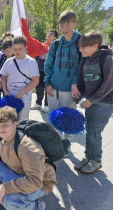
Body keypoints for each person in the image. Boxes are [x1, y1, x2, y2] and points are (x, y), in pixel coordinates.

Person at [0, 106, 56, 209]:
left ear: (15, 124)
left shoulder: (27, 147)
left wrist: (5, 187)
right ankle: (7, 191)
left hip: (40, 183)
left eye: (5, 125)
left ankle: (37, 205)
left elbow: (35, 181)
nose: (1, 129)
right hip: (20, 174)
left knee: (10, 202)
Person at [72, 31, 113, 174]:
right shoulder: (84, 61)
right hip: (90, 103)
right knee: (90, 131)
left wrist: (92, 100)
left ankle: (96, 160)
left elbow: (109, 84)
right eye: (80, 47)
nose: (80, 50)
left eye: (84, 47)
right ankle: (89, 157)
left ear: (95, 45)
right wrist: (75, 101)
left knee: (94, 132)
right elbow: (80, 84)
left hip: (105, 104)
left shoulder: (107, 59)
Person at [44, 10, 82, 157]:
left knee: (69, 117)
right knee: (53, 116)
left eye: (67, 25)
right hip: (53, 87)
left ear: (74, 24)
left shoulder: (80, 42)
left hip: (70, 88)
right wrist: (47, 81)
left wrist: (75, 83)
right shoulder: (56, 44)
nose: (64, 29)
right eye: (61, 26)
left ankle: (67, 142)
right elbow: (48, 65)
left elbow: (82, 66)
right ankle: (54, 141)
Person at [0, 36, 40, 121]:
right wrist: (5, 91)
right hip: (10, 97)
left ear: (25, 48)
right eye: (15, 49)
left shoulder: (31, 62)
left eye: (20, 49)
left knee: (22, 123)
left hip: (24, 98)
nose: (17, 51)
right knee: (9, 123)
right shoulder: (8, 62)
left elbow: (36, 81)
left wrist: (22, 92)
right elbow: (3, 78)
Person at [31, 29, 58, 113]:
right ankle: (38, 103)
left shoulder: (56, 46)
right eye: (48, 33)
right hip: (39, 69)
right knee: (38, 86)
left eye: (51, 34)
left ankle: (47, 104)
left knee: (48, 87)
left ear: (55, 37)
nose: (48, 35)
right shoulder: (41, 45)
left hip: (49, 70)